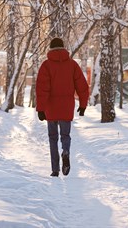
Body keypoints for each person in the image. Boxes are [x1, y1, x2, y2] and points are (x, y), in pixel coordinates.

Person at [36, 37, 89, 177]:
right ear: (63, 48)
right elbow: (82, 86)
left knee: (52, 138)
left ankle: (55, 169)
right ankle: (66, 151)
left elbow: (42, 89)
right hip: (66, 108)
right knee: (65, 135)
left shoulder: (46, 65)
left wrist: (40, 109)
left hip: (51, 109)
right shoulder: (72, 65)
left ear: (50, 49)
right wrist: (83, 105)